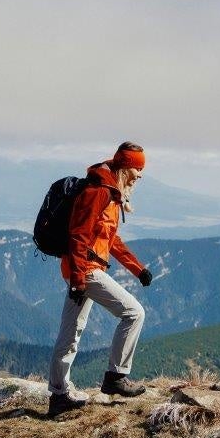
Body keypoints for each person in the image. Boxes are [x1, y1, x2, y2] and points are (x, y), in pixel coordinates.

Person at [48, 142, 153, 418]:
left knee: (70, 332)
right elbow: (78, 236)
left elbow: (109, 239)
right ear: (127, 167)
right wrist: (79, 279)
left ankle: (58, 396)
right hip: (85, 270)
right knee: (134, 313)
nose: (140, 175)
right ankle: (115, 377)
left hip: (81, 270)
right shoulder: (98, 191)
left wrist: (137, 269)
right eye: (138, 169)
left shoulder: (110, 191)